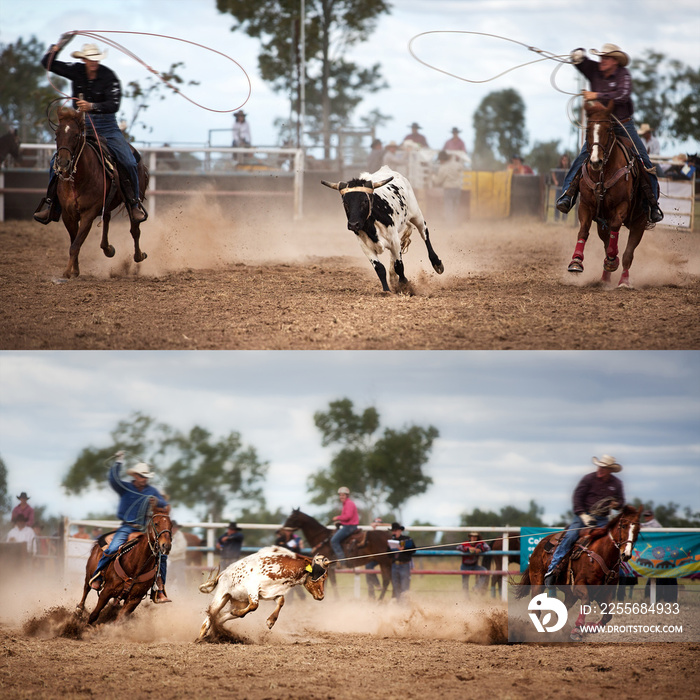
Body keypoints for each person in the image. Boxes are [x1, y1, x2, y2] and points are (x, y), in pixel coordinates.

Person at [33, 37, 148, 225]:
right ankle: (52, 204)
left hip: (107, 127)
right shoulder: (77, 71)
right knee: (57, 160)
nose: (93, 62)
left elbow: (114, 104)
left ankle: (134, 204)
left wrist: (92, 105)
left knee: (128, 160)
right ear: (84, 60)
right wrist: (58, 46)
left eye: (96, 59)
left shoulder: (108, 77)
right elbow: (47, 63)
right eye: (90, 59)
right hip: (82, 126)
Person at [556, 43, 663, 224]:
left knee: (644, 160)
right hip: (601, 125)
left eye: (606, 58)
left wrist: (595, 94)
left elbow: (622, 95)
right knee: (583, 157)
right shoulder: (595, 70)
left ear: (615, 61)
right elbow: (581, 61)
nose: (602, 61)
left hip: (623, 124)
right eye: (602, 58)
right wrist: (577, 55)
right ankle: (567, 195)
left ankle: (652, 204)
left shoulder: (623, 75)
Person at [88, 453, 171, 603]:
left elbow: (164, 506)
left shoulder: (151, 491)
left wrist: (158, 502)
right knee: (112, 549)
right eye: (141, 476)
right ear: (135, 476)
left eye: (146, 477)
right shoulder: (125, 487)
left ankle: (160, 588)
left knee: (161, 556)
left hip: (144, 530)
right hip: (127, 527)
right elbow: (113, 480)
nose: (144, 479)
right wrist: (118, 462)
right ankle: (99, 576)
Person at [544, 454, 625, 586]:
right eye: (600, 466)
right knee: (570, 536)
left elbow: (621, 501)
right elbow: (577, 497)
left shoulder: (616, 484)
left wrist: (616, 504)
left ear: (610, 470)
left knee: (612, 542)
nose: (600, 469)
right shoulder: (589, 479)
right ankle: (552, 569)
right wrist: (583, 514)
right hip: (583, 516)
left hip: (602, 519)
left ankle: (615, 571)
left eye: (604, 468)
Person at [433, 150, 464, 224]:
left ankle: (450, 224)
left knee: (449, 208)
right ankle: (456, 223)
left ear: (442, 159)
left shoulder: (443, 168)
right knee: (455, 207)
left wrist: (433, 177)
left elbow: (438, 181)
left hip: (448, 189)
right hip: (457, 189)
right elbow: (461, 167)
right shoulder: (456, 164)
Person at [331, 486, 359, 564]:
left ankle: (342, 562)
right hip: (348, 525)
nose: (341, 497)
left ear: (347, 495)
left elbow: (348, 516)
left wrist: (337, 518)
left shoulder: (349, 503)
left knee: (334, 541)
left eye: (343, 495)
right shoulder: (346, 504)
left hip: (350, 527)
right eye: (340, 495)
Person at [388, 522, 415, 601]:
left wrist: (404, 549)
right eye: (393, 531)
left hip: (404, 565)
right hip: (394, 565)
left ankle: (405, 604)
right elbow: (388, 554)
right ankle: (399, 604)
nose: (394, 533)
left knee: (404, 587)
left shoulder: (407, 539)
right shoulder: (391, 541)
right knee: (396, 586)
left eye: (395, 531)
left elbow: (413, 550)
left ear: (400, 531)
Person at [168, 520, 189, 591]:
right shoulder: (170, 536)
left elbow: (182, 548)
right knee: (168, 580)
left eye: (175, 528)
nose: (174, 529)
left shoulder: (179, 535)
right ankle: (167, 594)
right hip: (173, 561)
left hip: (178, 561)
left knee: (180, 580)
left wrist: (169, 552)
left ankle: (184, 596)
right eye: (172, 528)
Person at [550, 154, 572, 221]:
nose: (564, 161)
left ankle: (564, 219)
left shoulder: (569, 168)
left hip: (566, 189)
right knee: (557, 203)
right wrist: (555, 181)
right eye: (563, 160)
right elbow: (553, 173)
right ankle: (556, 218)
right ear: (561, 160)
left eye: (566, 160)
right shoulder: (558, 167)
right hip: (559, 188)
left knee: (565, 204)